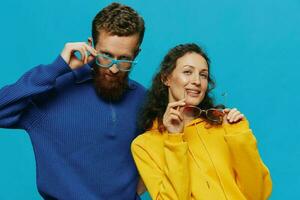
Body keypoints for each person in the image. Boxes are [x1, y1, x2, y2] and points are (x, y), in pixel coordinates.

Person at [0, 3, 146, 200]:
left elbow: (162, 152)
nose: (113, 68)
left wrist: (134, 193)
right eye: (106, 56)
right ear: (91, 45)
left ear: (136, 53)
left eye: (124, 60)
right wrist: (57, 68)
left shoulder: (143, 99)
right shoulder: (53, 90)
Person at [131, 43, 272, 200]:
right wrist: (175, 139)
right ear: (166, 78)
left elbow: (259, 194)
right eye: (187, 72)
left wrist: (239, 135)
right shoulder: (144, 145)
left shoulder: (223, 128)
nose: (197, 81)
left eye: (203, 75)